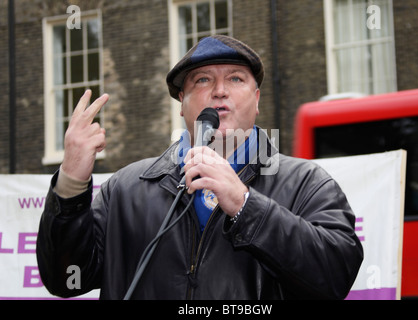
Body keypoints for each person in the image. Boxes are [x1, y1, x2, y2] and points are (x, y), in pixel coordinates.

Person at [37, 35, 363, 300]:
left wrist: (245, 205)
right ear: (182, 102)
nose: (219, 90)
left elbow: (333, 278)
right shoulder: (124, 190)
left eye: (235, 78)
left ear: (257, 98)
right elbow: (66, 280)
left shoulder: (308, 184)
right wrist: (71, 182)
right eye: (203, 80)